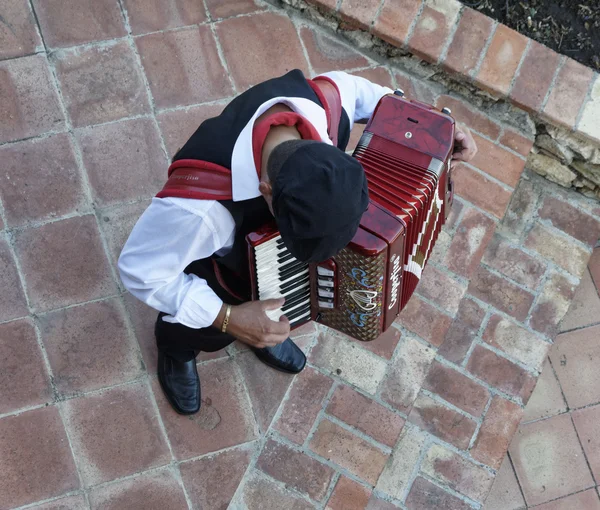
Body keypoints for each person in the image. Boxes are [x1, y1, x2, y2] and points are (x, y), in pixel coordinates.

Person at [118, 69, 477, 415]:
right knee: (200, 327)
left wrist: (437, 128)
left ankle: (264, 328)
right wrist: (228, 319)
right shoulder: (200, 212)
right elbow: (139, 270)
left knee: (281, 301)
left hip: (259, 267)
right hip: (222, 276)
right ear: (266, 192)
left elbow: (373, 99)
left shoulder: (328, 104)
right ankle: (177, 348)